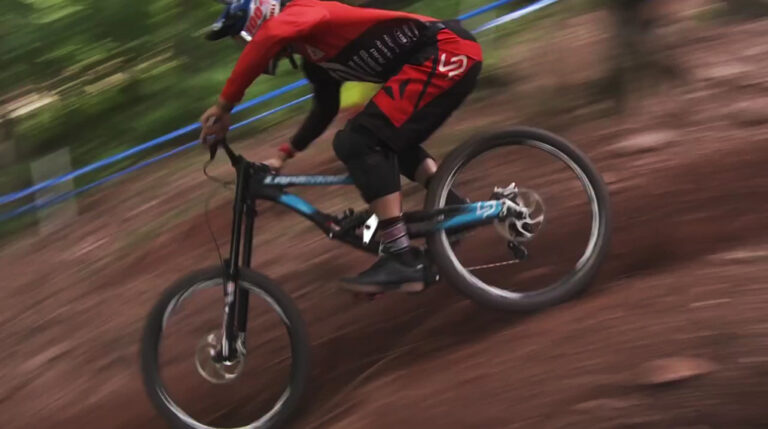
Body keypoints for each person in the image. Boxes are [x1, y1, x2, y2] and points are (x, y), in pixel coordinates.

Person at [199, 0, 482, 293]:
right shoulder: (314, 60)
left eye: (243, 39)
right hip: (437, 58)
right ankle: (451, 205)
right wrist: (284, 155)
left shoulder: (301, 10)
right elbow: (324, 109)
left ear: (260, 18)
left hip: (444, 51)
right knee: (379, 138)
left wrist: (224, 105)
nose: (245, 48)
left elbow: (271, 36)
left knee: (359, 141)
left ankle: (401, 258)